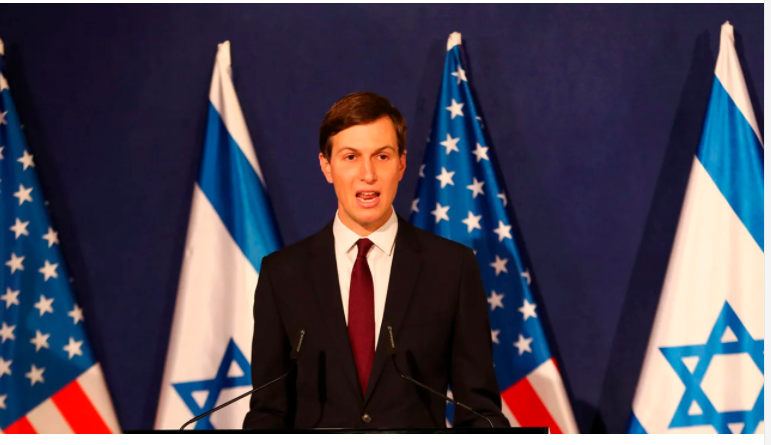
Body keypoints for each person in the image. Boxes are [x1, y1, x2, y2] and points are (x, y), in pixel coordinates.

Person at [243, 92, 508, 429]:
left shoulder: (451, 268)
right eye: (351, 157)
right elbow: (268, 412)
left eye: (382, 156)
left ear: (401, 164)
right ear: (326, 166)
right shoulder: (282, 274)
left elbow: (480, 411)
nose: (367, 174)